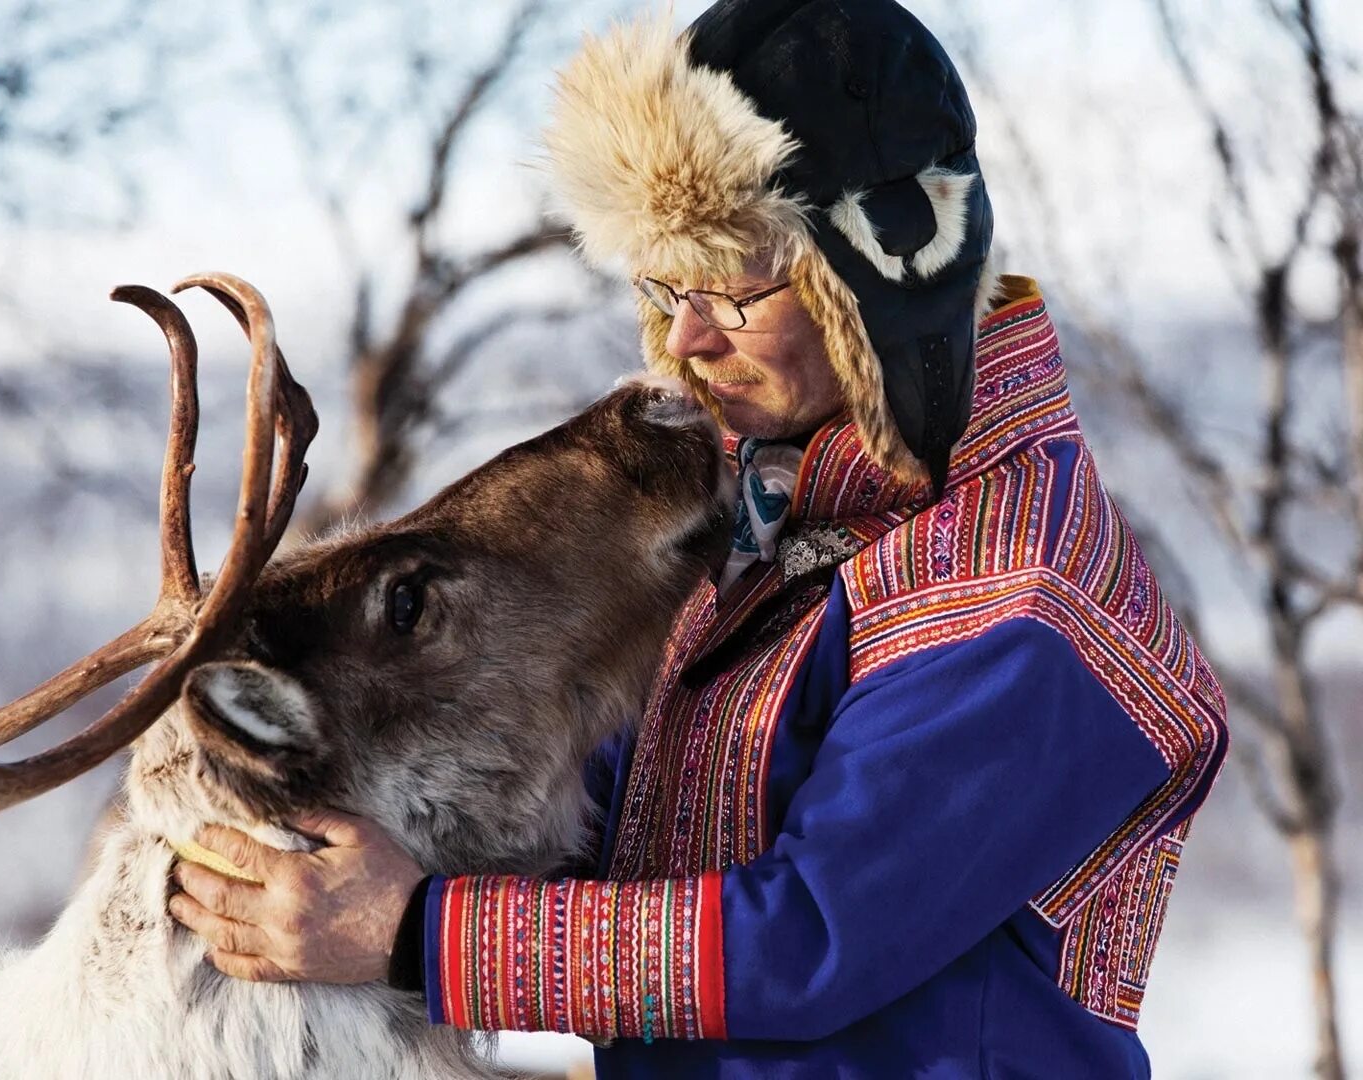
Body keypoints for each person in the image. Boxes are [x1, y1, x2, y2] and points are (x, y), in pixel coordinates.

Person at [168, 2, 1229, 1075]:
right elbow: (623, 854)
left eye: (734, 287)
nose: (685, 336)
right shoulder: (768, 533)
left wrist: (415, 934)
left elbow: (811, 939)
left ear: (884, 275)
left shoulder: (1018, 596)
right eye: (668, 284)